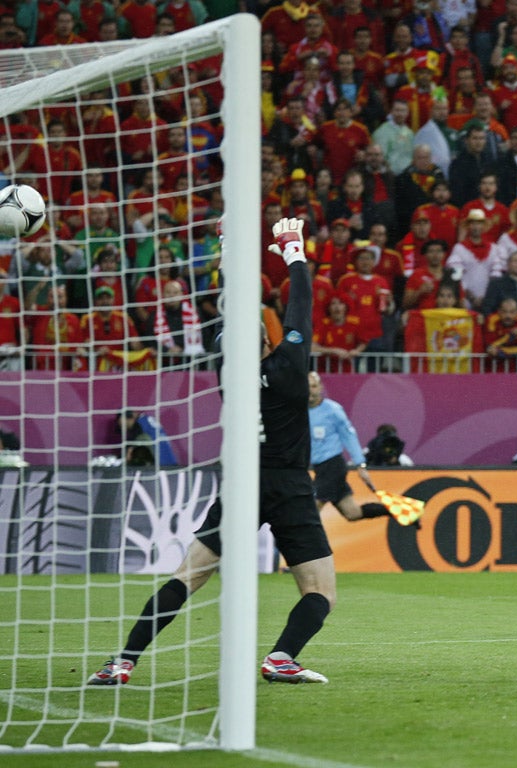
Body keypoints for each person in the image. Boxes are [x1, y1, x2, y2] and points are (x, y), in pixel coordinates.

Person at [88, 218, 336, 686]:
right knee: (320, 590)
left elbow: (228, 306)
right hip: (286, 484)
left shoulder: (229, 372)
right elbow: (301, 304)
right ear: (267, 338)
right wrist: (292, 251)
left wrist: (229, 246)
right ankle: (281, 657)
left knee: (189, 574)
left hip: (242, 482)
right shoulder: (289, 366)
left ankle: (122, 661)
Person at [308, 370, 394, 523]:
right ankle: (395, 510)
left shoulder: (332, 410)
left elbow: (349, 436)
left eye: (313, 386)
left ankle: (292, 547)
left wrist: (360, 464)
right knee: (352, 513)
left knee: (311, 510)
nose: (310, 391)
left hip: (332, 466)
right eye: (306, 387)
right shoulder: (298, 412)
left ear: (320, 388)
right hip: (318, 467)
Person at [116, 409, 180, 467]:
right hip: (171, 462)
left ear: (131, 418)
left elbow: (132, 449)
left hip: (160, 466)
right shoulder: (148, 420)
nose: (124, 428)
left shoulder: (139, 425)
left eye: (124, 425)